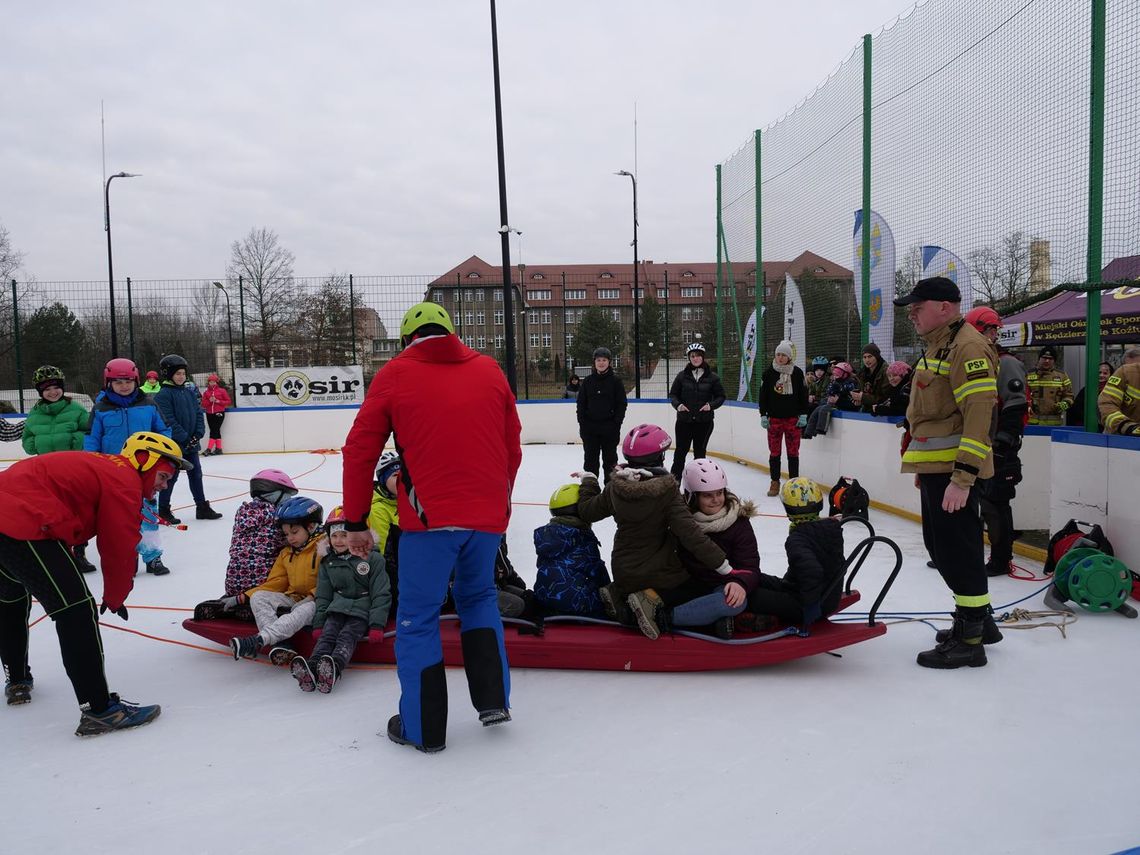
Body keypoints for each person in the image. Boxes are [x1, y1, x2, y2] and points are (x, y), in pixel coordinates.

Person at [341, 300, 521, 753]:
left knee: (418, 618)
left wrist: (357, 519)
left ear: (407, 339)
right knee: (478, 598)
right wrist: (498, 502)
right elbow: (512, 446)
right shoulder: (489, 370)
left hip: (428, 520)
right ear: (451, 331)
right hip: (486, 517)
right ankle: (493, 701)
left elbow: (359, 450)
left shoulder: (396, 373)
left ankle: (423, 729)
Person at [0, 431, 188, 733]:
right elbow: (118, 545)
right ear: (144, 461)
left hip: (10, 510)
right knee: (76, 610)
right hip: (23, 518)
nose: (164, 486)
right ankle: (100, 710)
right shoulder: (124, 480)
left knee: (10, 598)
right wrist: (115, 596)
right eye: (163, 476)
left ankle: (18, 679)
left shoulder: (106, 466)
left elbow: (66, 497)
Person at [895, 276, 998, 669]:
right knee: (944, 547)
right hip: (937, 467)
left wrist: (962, 478)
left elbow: (977, 416)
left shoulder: (967, 346)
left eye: (918, 308)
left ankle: (970, 639)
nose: (913, 315)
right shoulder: (942, 343)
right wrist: (925, 466)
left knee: (957, 551)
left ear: (944, 306)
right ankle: (980, 621)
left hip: (955, 473)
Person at [577, 423, 732, 641]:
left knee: (657, 582)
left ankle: (619, 595)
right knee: (700, 587)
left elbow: (587, 511)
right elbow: (690, 534)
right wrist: (723, 565)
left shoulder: (615, 487)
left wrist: (589, 481)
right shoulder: (666, 492)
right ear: (658, 459)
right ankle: (650, 600)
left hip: (623, 571)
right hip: (659, 574)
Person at [84, 358, 173, 575]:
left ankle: (153, 557)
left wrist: (162, 457)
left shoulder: (149, 404)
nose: (124, 386)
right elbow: (92, 438)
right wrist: (93, 464)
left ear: (136, 381)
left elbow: (163, 431)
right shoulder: (101, 408)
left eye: (128, 381)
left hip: (145, 470)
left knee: (148, 515)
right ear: (109, 383)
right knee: (119, 518)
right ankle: (127, 557)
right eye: (118, 382)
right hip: (113, 470)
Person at [292, 506, 391, 694]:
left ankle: (334, 668)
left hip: (361, 610)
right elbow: (324, 594)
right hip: (336, 608)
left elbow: (381, 592)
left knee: (347, 636)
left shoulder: (373, 559)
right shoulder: (328, 561)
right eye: (334, 536)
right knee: (327, 635)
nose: (338, 541)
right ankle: (312, 668)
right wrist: (319, 622)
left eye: (344, 535)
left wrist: (377, 624)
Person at [965, 306, 1028, 577]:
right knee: (971, 502)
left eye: (989, 331)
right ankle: (966, 554)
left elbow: (1016, 405)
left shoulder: (1006, 363)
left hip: (999, 447)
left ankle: (1001, 559)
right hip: (976, 443)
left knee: (995, 503)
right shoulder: (976, 359)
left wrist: (1003, 443)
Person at [227, 496, 325, 663]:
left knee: (304, 609)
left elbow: (331, 580)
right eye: (286, 534)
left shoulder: (324, 548)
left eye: (294, 532)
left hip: (320, 601)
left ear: (311, 526)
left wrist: (312, 596)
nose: (290, 538)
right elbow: (276, 582)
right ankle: (282, 645)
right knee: (259, 598)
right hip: (294, 597)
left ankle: (259, 641)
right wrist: (244, 596)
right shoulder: (286, 553)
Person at [675, 458, 762, 638]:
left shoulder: (739, 522)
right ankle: (715, 620)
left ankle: (664, 618)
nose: (716, 500)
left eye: (719, 493)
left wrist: (740, 584)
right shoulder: (680, 520)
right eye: (707, 495)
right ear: (692, 496)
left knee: (733, 602)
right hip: (686, 585)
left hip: (721, 586)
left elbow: (750, 565)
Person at [747, 478, 846, 626]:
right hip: (823, 594)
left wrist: (810, 607)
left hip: (808, 603)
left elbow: (813, 571)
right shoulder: (830, 528)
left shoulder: (797, 539)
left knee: (751, 597)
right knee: (754, 577)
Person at [154, 354, 222, 523]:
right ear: (169, 374)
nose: (181, 377)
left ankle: (202, 507)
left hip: (191, 442)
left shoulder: (189, 392)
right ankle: (163, 509)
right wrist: (184, 437)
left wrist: (198, 433)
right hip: (174, 445)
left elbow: (199, 413)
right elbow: (168, 420)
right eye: (178, 374)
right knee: (171, 476)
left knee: (196, 474)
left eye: (183, 374)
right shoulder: (163, 395)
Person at [533, 483, 610, 618]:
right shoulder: (582, 538)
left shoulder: (548, 537)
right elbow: (599, 575)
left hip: (545, 600)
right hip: (578, 605)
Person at [222, 469, 298, 596]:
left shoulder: (242, 511)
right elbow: (292, 542)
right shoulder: (277, 515)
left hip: (233, 583)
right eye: (286, 495)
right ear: (275, 494)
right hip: (263, 584)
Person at [667, 341, 726, 480]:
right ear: (689, 358)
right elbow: (673, 394)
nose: (695, 358)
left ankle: (699, 484)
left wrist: (710, 406)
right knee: (680, 453)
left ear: (703, 357)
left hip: (704, 422)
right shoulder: (682, 376)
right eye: (692, 356)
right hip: (684, 421)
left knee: (700, 454)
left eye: (698, 355)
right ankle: (673, 485)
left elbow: (721, 396)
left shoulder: (713, 378)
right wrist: (679, 405)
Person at [758, 340, 809, 497]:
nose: (780, 358)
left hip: (793, 420)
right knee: (775, 453)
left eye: (783, 355)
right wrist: (763, 414)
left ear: (789, 357)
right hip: (774, 420)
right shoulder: (768, 373)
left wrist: (803, 413)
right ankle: (775, 482)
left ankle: (794, 483)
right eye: (778, 354)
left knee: (793, 453)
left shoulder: (798, 373)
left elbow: (803, 395)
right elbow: (763, 396)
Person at [577, 346, 627, 485]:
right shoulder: (587, 381)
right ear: (594, 362)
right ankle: (590, 489)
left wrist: (616, 423)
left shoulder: (616, 381)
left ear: (609, 362)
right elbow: (581, 404)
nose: (601, 363)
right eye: (598, 360)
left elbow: (622, 404)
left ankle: (610, 491)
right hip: (590, 429)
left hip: (609, 428)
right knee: (590, 461)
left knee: (610, 461)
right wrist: (583, 423)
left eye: (604, 360)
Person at [21, 365, 89, 456]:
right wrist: (35, 444)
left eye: (56, 387)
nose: (53, 392)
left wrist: (77, 441)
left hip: (72, 461)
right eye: (47, 389)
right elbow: (27, 436)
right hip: (45, 463)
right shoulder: (35, 413)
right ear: (40, 392)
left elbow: (88, 431)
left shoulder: (76, 408)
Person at [1027, 346, 1073, 426]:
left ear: (1054, 361)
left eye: (1050, 359)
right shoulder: (1028, 375)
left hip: (1054, 424)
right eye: (1044, 358)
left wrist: (1063, 405)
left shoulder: (1062, 376)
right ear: (1039, 359)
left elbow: (1069, 396)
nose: (1047, 361)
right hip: (1032, 423)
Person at [368, 451, 401, 553]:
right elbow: (381, 551)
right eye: (395, 475)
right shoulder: (378, 510)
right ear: (383, 480)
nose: (401, 478)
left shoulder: (412, 500)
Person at [1098, 361, 1140, 436]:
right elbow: (1107, 404)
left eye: (1105, 373)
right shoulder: (1126, 373)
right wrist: (1126, 426)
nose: (1101, 375)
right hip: (1118, 438)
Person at [1067, 362, 1113, 429]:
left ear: (1111, 375)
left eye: (1105, 373)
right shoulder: (1086, 390)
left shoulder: (1113, 391)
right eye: (1099, 372)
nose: (1101, 375)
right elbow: (1076, 410)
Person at [200, 374, 232, 456]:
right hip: (209, 413)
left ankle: (209, 449)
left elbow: (228, 401)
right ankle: (218, 449)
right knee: (216, 430)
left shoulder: (222, 391)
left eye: (213, 381)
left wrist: (218, 401)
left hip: (219, 412)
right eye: (210, 381)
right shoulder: (206, 393)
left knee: (214, 430)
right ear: (208, 382)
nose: (212, 383)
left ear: (216, 382)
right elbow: (203, 404)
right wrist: (210, 401)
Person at [853, 342, 890, 412]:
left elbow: (884, 398)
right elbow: (862, 392)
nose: (867, 360)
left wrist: (863, 398)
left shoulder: (886, 372)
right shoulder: (862, 373)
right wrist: (858, 400)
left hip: (881, 412)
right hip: (866, 410)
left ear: (876, 356)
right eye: (864, 357)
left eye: (870, 356)